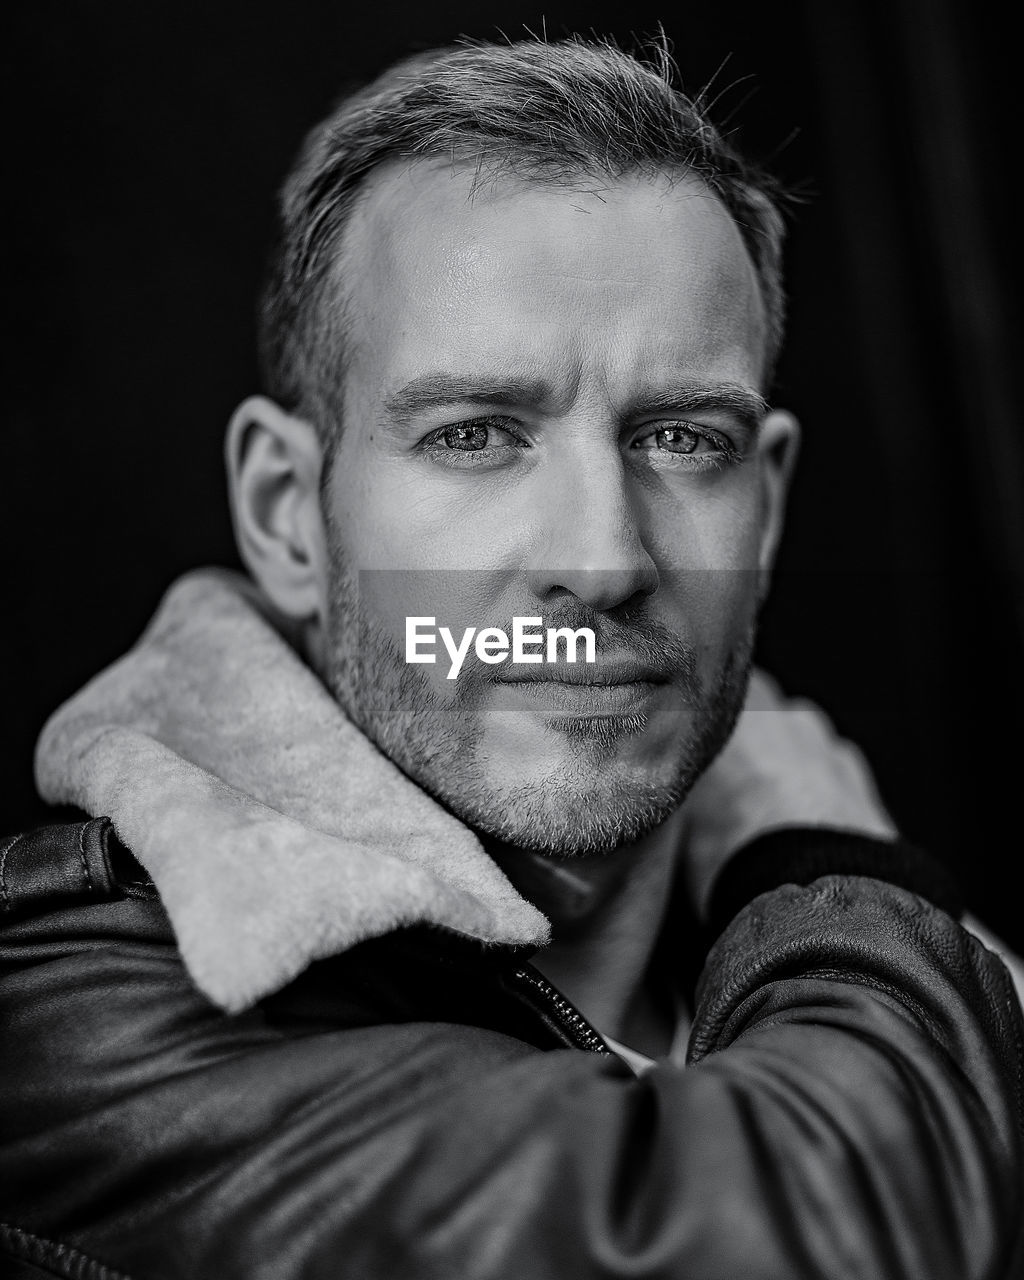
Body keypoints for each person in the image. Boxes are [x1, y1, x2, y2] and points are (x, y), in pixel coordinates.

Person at [1, 35, 1022, 1280]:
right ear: (285, 513)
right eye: (476, 433)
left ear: (769, 506)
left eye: (685, 437)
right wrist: (831, 866)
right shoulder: (76, 1006)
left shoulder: (952, 976)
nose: (601, 560)